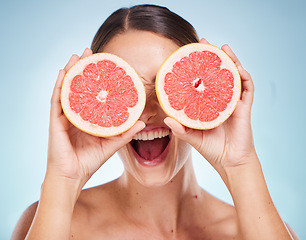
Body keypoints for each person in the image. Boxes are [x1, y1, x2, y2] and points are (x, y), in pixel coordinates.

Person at [12, 4, 298, 240]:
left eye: (165, 87)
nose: (147, 112)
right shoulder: (51, 222)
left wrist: (240, 164)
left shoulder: (255, 230)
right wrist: (63, 180)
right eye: (128, 91)